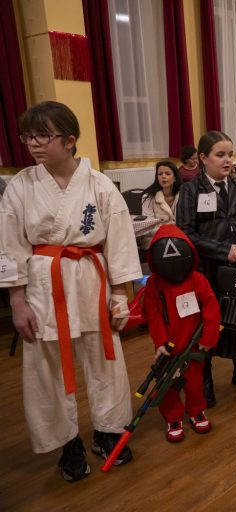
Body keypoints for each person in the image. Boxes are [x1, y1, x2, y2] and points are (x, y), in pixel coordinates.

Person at [0, 101, 141, 481]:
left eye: (43, 135)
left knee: (105, 361)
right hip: (44, 286)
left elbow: (120, 243)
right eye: (28, 136)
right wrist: (17, 302)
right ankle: (68, 443)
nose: (33, 143)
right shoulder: (21, 185)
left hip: (91, 280)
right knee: (47, 368)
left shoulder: (99, 185)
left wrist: (120, 296)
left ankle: (108, 431)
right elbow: (9, 246)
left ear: (70, 140)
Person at [176, 131, 236, 406]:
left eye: (230, 155)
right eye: (220, 155)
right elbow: (186, 233)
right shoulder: (191, 190)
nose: (227, 160)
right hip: (208, 269)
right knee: (208, 324)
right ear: (203, 158)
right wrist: (222, 250)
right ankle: (205, 380)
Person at [141, 225, 220, 442]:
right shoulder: (154, 285)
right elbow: (152, 315)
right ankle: (173, 417)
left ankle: (196, 411)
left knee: (194, 382)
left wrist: (208, 337)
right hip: (168, 348)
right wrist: (160, 342)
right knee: (167, 385)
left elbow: (211, 308)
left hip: (193, 345)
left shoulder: (197, 279)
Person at [139, 160, 181, 250]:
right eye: (160, 174)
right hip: (154, 237)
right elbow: (148, 226)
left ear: (175, 178)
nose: (163, 176)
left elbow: (185, 222)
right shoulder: (148, 197)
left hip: (178, 235)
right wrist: (168, 232)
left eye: (167, 174)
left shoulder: (183, 194)